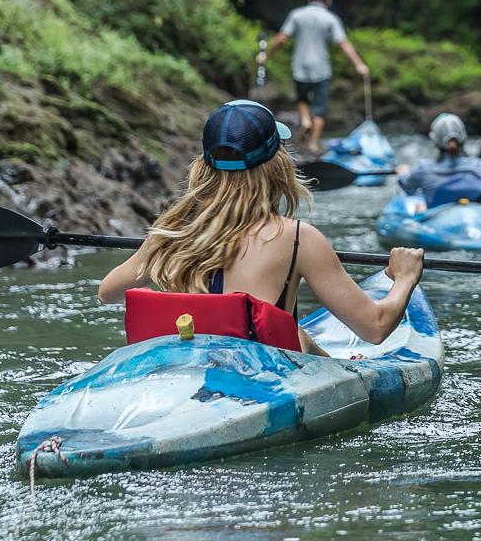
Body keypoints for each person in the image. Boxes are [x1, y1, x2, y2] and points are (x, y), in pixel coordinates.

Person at [97, 99, 423, 355]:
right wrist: (405, 278)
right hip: (260, 391)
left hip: (187, 378)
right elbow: (375, 328)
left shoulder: (172, 230)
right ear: (278, 163)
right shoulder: (297, 239)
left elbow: (108, 292)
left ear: (204, 165)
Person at [258, 0, 367, 152]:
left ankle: (305, 120)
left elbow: (281, 38)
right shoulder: (331, 18)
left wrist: (266, 55)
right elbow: (342, 43)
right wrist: (358, 63)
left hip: (300, 66)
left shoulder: (297, 14)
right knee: (320, 108)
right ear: (329, 2)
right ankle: (314, 144)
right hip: (321, 69)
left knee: (302, 99)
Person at [396, 112, 481, 208]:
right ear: (464, 138)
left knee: (420, 207)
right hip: (478, 228)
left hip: (440, 228)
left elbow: (407, 187)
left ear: (435, 142)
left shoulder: (423, 168)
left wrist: (403, 172)